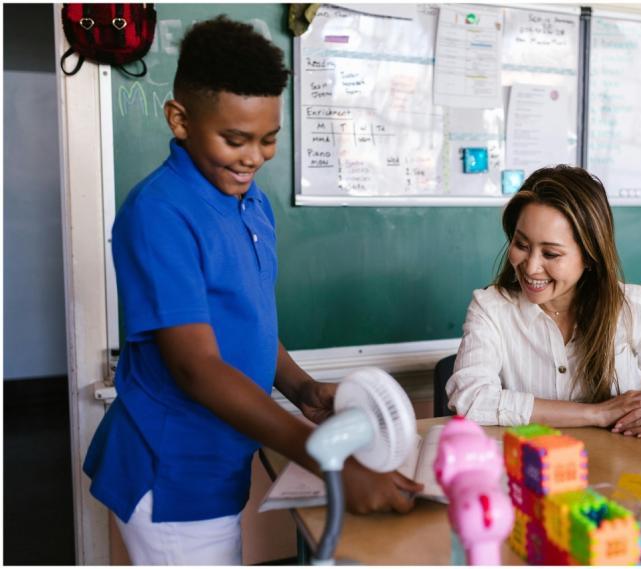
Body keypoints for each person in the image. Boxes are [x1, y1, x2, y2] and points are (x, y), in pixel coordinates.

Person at [83, 17, 420, 565]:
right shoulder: (160, 213)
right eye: (235, 139)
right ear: (180, 119)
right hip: (173, 475)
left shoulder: (250, 202)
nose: (253, 157)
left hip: (218, 462)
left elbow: (249, 320)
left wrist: (302, 388)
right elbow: (198, 367)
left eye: (268, 139)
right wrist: (329, 461)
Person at [446, 165, 641, 435]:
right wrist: (598, 413)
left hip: (619, 469)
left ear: (589, 256)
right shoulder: (491, 308)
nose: (530, 267)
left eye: (551, 254)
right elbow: (471, 399)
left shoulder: (633, 307)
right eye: (521, 245)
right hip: (532, 471)